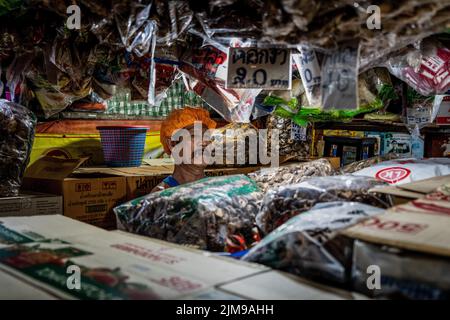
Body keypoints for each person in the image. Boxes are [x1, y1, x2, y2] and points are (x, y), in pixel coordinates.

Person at [151, 107, 217, 192]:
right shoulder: (162, 195)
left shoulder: (217, 190)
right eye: (194, 136)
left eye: (207, 137)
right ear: (172, 144)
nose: (204, 143)